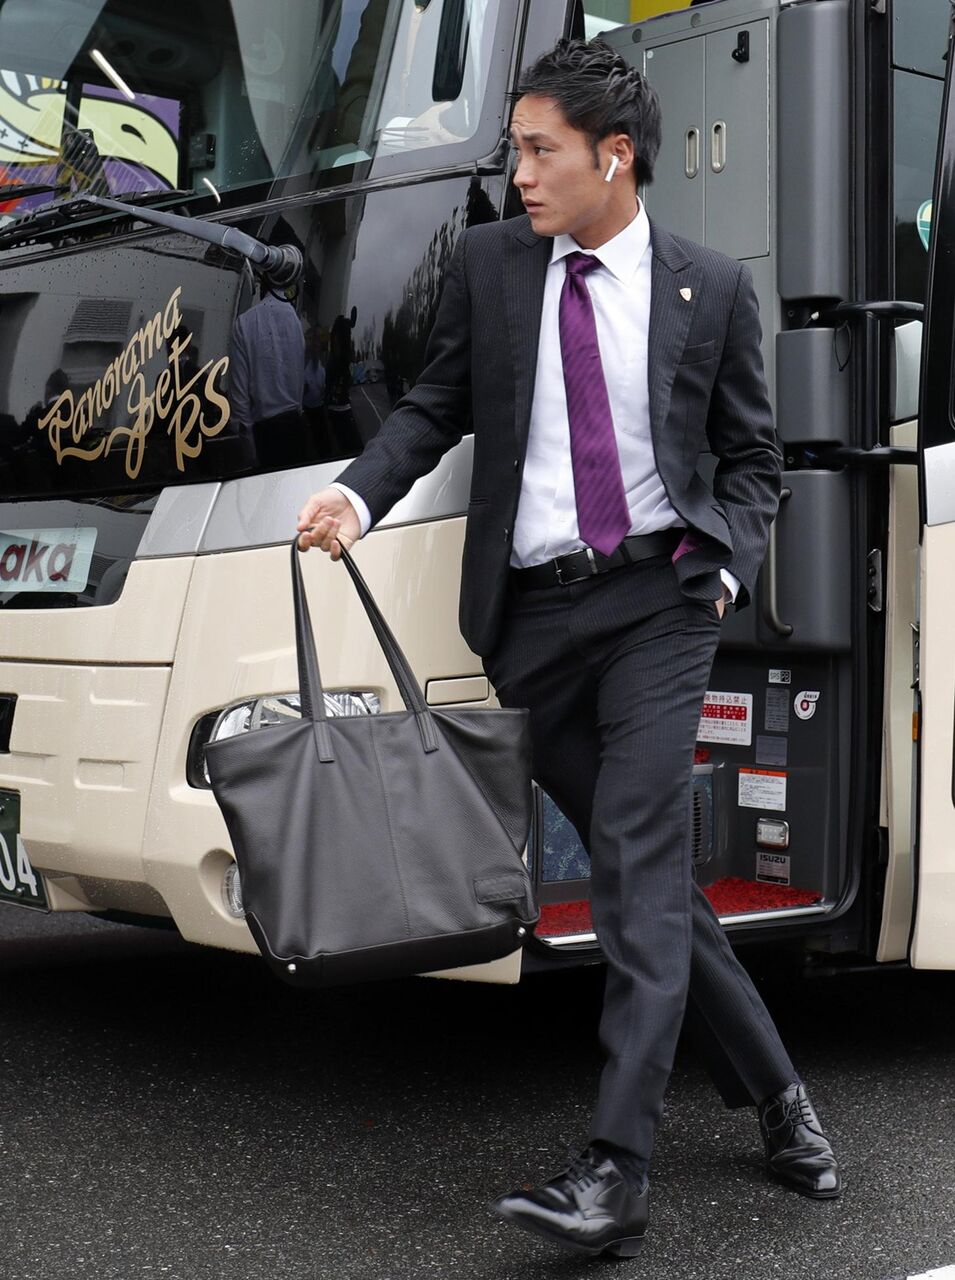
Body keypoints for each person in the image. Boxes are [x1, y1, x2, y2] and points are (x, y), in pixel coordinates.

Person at [297, 37, 840, 1260]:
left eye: (541, 151)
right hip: (532, 622)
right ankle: (778, 1093)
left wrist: (722, 573)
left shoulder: (710, 286)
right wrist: (357, 494)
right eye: (517, 150)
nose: (521, 175)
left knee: (635, 870)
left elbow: (753, 459)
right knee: (647, 879)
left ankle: (615, 1170)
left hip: (657, 605)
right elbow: (435, 405)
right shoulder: (493, 265)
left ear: (615, 154)